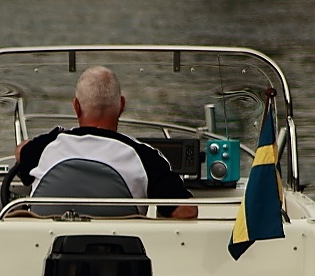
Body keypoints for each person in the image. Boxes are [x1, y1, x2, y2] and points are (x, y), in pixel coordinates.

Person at [15, 65, 197, 219]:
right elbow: (187, 210)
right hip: (121, 258)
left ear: (76, 106)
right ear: (122, 106)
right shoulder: (145, 157)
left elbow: (20, 152)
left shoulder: (46, 147)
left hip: (46, 254)